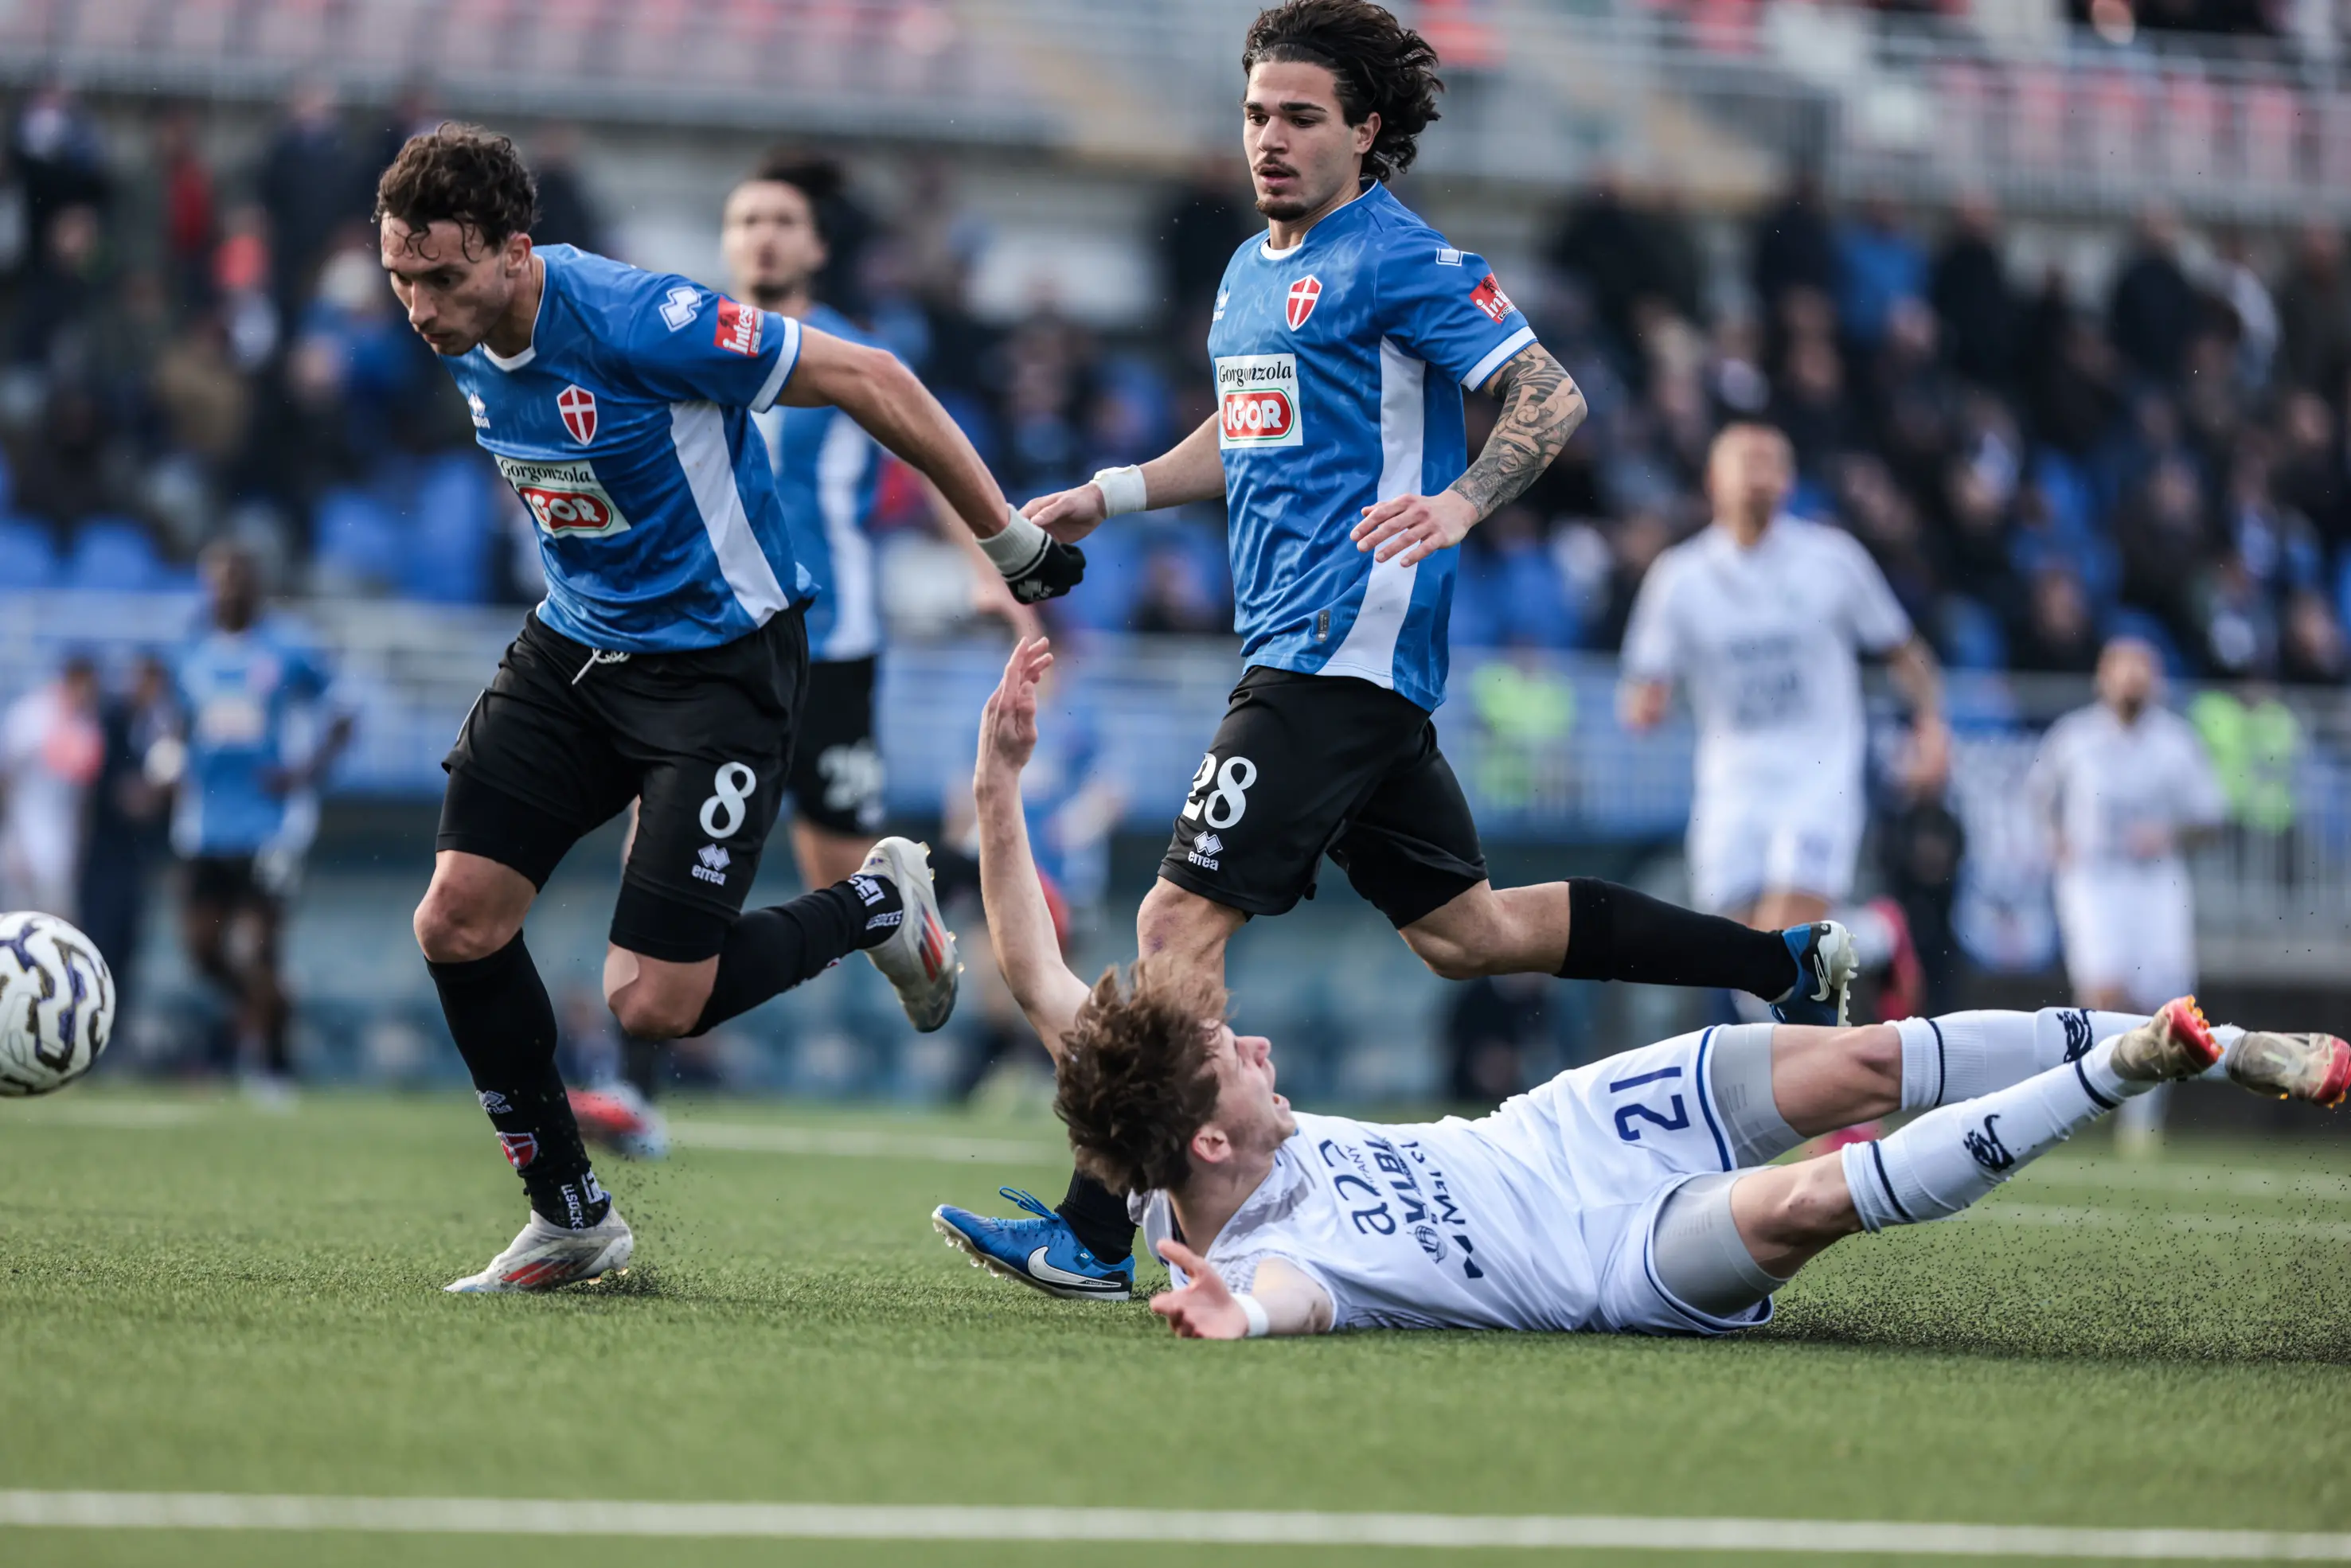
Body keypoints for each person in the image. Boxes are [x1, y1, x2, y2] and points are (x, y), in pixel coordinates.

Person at [936, 3, 1865, 1304]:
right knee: (1468, 932)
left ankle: (1098, 1230)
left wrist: (1462, 502)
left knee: (1172, 920)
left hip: (1338, 644)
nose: (1268, 139)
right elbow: (1248, 427)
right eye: (1255, 114)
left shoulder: (1400, 255)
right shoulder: (1249, 269)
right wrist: (1114, 491)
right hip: (1315, 651)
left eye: (1299, 117)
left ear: (1365, 131)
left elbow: (1548, 392)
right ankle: (1784, 962)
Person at [943, 637, 2349, 1341]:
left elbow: (1034, 971)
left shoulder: (1158, 1097)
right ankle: (2124, 1065)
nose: (1251, 1043)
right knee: (1806, 1199)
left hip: (1560, 1132)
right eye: (1235, 1063)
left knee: (1865, 1062)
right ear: (1206, 1139)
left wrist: (999, 783)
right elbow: (1287, 1305)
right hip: (1604, 1262)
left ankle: (2219, 1043)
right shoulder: (1259, 1258)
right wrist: (1237, 1319)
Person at [377, 124, 1084, 1293]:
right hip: (575, 646)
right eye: (401, 278)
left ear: (515, 251)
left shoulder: (637, 318)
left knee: (653, 1001)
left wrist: (1004, 538)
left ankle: (878, 900)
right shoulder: (457, 327)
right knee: (456, 918)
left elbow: (873, 377)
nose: (418, 306)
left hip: (721, 666)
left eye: (442, 278)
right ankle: (571, 1217)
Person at [1619, 423, 1951, 1020]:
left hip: (1818, 767)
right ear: (1713, 480)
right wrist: (1645, 705)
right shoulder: (1680, 576)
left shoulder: (1832, 560)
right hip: (1732, 775)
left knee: (1787, 937)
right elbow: (1644, 679)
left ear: (1790, 481)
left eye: (1771, 462)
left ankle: (1824, 1065)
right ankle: (1878, 934)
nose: (1759, 474)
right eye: (1745, 460)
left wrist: (1932, 728)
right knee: (1739, 960)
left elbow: (1905, 653)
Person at [163, 544, 353, 1098]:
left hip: (272, 824)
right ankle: (269, 1006)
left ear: (256, 586)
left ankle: (274, 1067)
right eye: (219, 580)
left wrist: (308, 771)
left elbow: (343, 711)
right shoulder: (190, 653)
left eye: (237, 580)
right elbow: (177, 727)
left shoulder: (288, 648)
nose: (228, 590)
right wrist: (167, 768)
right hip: (204, 823)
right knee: (202, 949)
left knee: (257, 948)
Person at [2029, 638, 2228, 1152]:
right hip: (2093, 878)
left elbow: (2211, 817)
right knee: (2102, 989)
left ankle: (2141, 1120)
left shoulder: (2175, 742)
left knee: (2162, 999)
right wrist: (2054, 838)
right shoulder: (2075, 737)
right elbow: (2039, 794)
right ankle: (2091, 1094)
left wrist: (2169, 834)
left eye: (2141, 670)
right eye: (2123, 670)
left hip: (2155, 882)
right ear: (2103, 676)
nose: (2131, 682)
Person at [76, 653, 175, 1022]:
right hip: (103, 857)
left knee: (127, 944)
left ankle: (114, 1026)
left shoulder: (162, 727)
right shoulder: (110, 721)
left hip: (136, 858)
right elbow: (94, 784)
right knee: (99, 938)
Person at [0, 653, 104, 919]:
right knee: (16, 923)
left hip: (61, 845)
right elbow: (7, 780)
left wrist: (80, 847)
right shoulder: (32, 716)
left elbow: (82, 797)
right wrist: (12, 840)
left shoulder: (87, 725)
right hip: (24, 838)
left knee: (59, 922)